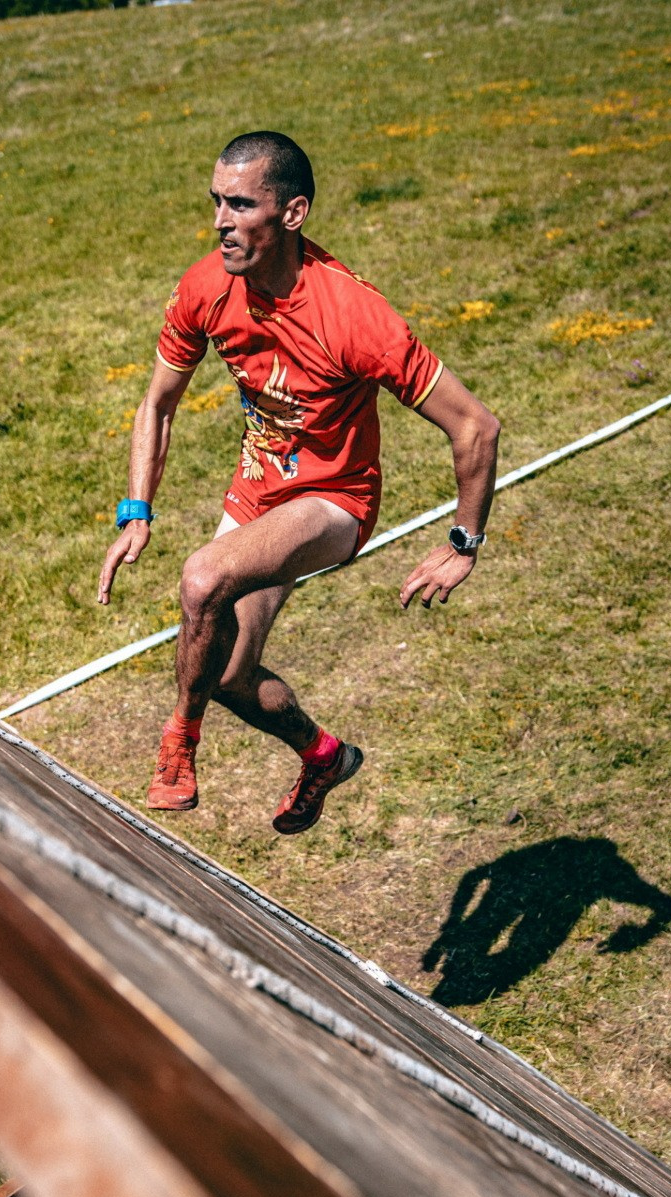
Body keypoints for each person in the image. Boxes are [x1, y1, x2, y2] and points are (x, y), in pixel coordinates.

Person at [97, 131, 500, 834]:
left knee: (200, 582)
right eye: (216, 202)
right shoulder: (204, 287)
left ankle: (179, 740)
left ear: (292, 213)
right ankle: (322, 756)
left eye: (241, 204)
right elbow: (157, 404)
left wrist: (463, 544)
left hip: (334, 501)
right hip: (257, 495)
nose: (221, 220)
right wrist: (138, 510)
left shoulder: (355, 317)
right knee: (223, 673)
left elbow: (475, 427)